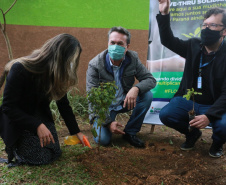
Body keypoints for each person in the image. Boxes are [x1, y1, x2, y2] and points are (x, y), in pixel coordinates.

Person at [0, 33, 86, 166]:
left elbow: (63, 104)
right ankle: (15, 149)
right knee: (41, 158)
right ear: (60, 58)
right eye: (70, 61)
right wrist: (37, 125)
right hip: (17, 121)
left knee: (55, 152)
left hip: (38, 115)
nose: (71, 66)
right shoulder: (20, 69)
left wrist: (77, 132)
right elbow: (8, 107)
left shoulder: (55, 74)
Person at [157, 0, 226, 157]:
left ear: (224, 31)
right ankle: (192, 134)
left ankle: (217, 143)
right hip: (191, 102)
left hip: (216, 104)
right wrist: (164, 13)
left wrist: (209, 116)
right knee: (166, 114)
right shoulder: (194, 45)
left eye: (213, 25)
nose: (207, 29)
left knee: (224, 125)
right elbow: (167, 40)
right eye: (205, 25)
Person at [86, 26, 156, 148]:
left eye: (120, 43)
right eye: (112, 42)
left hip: (125, 101)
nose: (115, 46)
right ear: (108, 43)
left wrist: (136, 89)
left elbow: (150, 79)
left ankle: (130, 132)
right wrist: (108, 123)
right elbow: (92, 99)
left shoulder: (132, 58)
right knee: (103, 140)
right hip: (104, 108)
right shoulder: (95, 65)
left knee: (147, 95)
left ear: (127, 47)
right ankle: (103, 125)